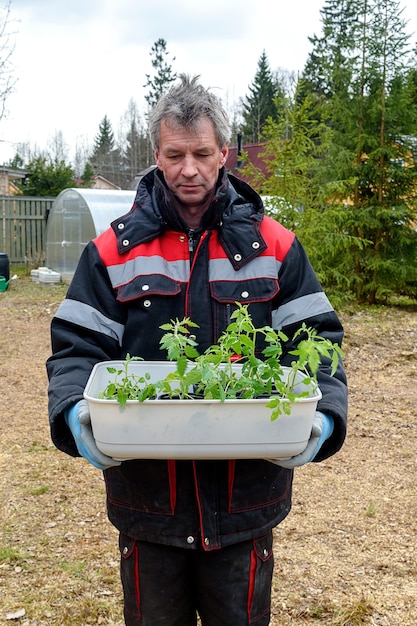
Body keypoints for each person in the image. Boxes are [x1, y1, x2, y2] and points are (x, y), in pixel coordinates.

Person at [47, 74, 348, 626]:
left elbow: (317, 341)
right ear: (157, 156)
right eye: (175, 154)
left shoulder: (274, 246)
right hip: (148, 504)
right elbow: (75, 348)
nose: (190, 169)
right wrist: (75, 410)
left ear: (224, 155)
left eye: (202, 154)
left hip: (245, 503)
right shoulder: (113, 250)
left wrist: (323, 416)